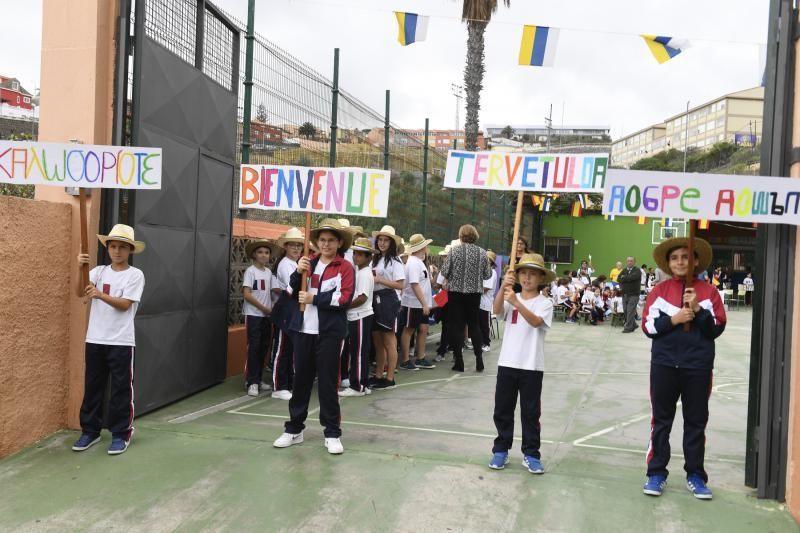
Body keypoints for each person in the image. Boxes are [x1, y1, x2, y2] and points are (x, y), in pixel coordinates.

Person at [641, 237, 726, 500]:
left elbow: (716, 328)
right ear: (668, 263)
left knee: (696, 423)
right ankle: (656, 472)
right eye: (675, 258)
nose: (680, 262)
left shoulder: (710, 292)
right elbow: (648, 327)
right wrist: (675, 319)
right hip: (665, 365)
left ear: (696, 261)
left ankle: (696, 475)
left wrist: (698, 310)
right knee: (661, 421)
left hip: (698, 367)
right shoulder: (659, 291)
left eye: (685, 257)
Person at [273, 219, 354, 455]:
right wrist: (298, 274)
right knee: (301, 382)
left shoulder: (345, 267)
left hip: (329, 333)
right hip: (303, 331)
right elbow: (290, 293)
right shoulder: (308, 262)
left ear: (339, 242)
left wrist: (314, 299)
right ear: (316, 242)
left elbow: (344, 299)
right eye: (322, 240)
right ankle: (294, 429)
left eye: (331, 240)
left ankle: (332, 433)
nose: (326, 244)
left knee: (328, 383)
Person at [72, 224, 145, 455]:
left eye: (122, 247)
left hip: (121, 341)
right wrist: (80, 268)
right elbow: (79, 291)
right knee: (93, 386)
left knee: (121, 390)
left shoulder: (135, 275)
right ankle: (90, 431)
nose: (117, 251)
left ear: (130, 250)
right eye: (113, 246)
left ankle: (121, 434)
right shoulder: (98, 271)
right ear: (107, 248)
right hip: (95, 338)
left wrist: (101, 295)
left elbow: (125, 305)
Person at [488, 253, 555, 473]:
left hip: (531, 366)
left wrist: (516, 302)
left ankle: (531, 454)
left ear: (541, 279)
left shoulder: (545, 303)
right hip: (507, 362)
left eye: (532, 274)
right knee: (503, 409)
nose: (527, 278)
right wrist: (502, 288)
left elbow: (536, 322)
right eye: (523, 273)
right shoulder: (510, 297)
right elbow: (497, 311)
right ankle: (501, 450)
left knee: (530, 412)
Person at [440, 224, 492, 372]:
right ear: (475, 236)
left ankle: (459, 362)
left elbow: (444, 271)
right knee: (474, 325)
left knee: (457, 326)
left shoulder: (454, 251)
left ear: (461, 236)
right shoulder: (482, 253)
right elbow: (488, 274)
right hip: (474, 294)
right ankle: (479, 359)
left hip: (456, 293)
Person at [270, 227, 305, 401]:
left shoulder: (297, 263)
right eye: (293, 245)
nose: (296, 248)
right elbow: (292, 287)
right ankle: (278, 385)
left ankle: (288, 383)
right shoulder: (286, 264)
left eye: (299, 245)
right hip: (286, 308)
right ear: (286, 247)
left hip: (293, 309)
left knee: (290, 348)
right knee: (282, 348)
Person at [370, 225, 405, 389]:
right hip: (375, 299)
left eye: (386, 240)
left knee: (389, 341)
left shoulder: (395, 261)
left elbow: (400, 285)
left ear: (391, 243)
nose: (382, 243)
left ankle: (390, 378)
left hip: (388, 300)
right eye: (380, 240)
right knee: (377, 340)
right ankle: (378, 375)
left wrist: (380, 280)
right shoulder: (376, 259)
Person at [242, 238, 279, 397]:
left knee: (264, 347)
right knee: (254, 348)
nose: (264, 255)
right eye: (260, 252)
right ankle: (251, 382)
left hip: (266, 316)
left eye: (266, 252)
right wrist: (263, 308)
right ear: (254, 255)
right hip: (254, 315)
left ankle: (258, 378)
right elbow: (247, 294)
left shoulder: (269, 272)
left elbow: (271, 293)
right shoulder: (250, 271)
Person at [340, 237, 376, 397]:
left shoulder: (364, 274)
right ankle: (364, 383)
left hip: (360, 315)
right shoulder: (361, 272)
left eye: (361, 254)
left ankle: (357, 386)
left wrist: (344, 306)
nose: (356, 257)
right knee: (359, 350)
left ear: (369, 257)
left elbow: (361, 297)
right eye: (355, 253)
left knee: (358, 351)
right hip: (359, 315)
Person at [398, 234, 436, 370]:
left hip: (420, 303)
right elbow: (414, 284)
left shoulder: (418, 262)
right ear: (423, 247)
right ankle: (405, 360)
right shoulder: (413, 262)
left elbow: (421, 283)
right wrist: (424, 303)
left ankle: (420, 357)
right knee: (409, 330)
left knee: (423, 328)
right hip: (413, 303)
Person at [479, 250, 499, 352]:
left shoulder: (491, 272)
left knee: (484, 324)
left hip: (485, 303)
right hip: (480, 302)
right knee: (480, 324)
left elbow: (486, 288)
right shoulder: (484, 271)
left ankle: (486, 344)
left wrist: (474, 291)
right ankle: (481, 343)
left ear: (490, 261)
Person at [617, 256, 642, 333]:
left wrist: (624, 278)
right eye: (628, 261)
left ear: (634, 262)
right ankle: (633, 324)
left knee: (630, 311)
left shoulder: (637, 270)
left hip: (634, 295)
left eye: (631, 261)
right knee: (626, 311)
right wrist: (626, 278)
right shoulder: (624, 270)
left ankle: (628, 328)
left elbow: (633, 277)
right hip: (625, 294)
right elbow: (618, 278)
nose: (629, 262)